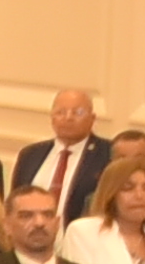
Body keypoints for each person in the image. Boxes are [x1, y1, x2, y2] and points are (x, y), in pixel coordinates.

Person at [13, 88, 108, 223]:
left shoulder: (107, 154)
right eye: (61, 112)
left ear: (92, 119)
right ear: (52, 118)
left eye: (78, 112)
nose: (68, 118)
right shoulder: (30, 154)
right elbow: (16, 202)